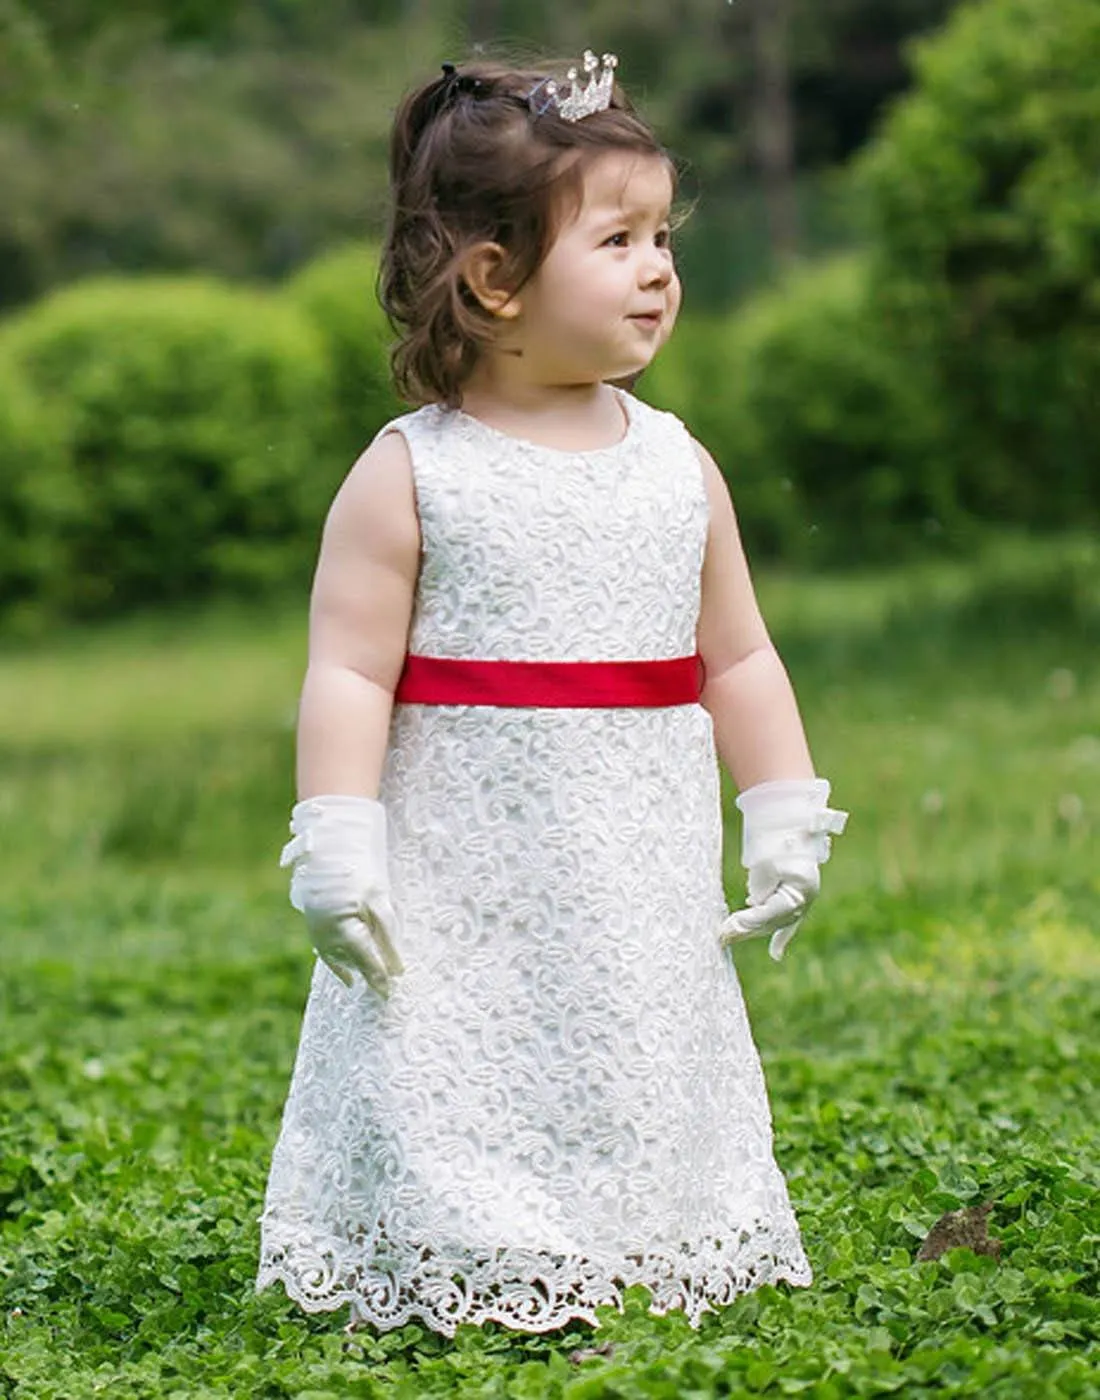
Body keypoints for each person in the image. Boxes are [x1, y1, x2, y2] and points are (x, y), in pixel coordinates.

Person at [255, 50, 848, 1338]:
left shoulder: (678, 464)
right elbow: (350, 667)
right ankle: (467, 1236)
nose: (659, 268)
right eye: (619, 238)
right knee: (456, 1042)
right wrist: (337, 838)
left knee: (625, 1030)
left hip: (634, 836)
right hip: (464, 850)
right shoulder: (414, 472)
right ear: (495, 276)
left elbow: (735, 653)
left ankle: (633, 1221)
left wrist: (786, 803)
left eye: (663, 237)